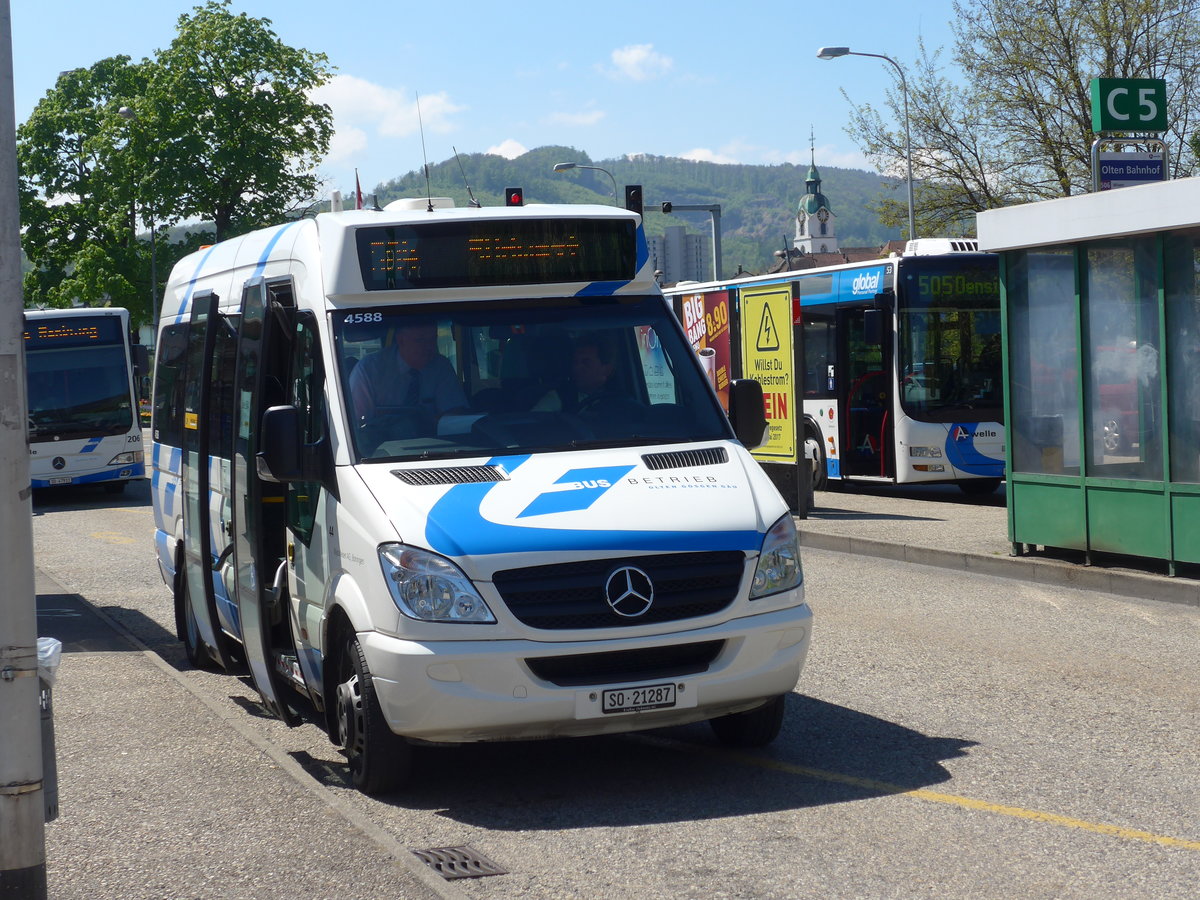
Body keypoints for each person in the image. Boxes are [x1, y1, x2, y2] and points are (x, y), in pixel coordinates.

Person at [349, 322, 467, 423]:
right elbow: (357, 422)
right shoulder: (369, 370)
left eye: (432, 340)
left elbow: (455, 414)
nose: (429, 347)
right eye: (420, 340)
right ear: (401, 341)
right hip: (379, 445)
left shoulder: (441, 366)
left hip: (437, 444)